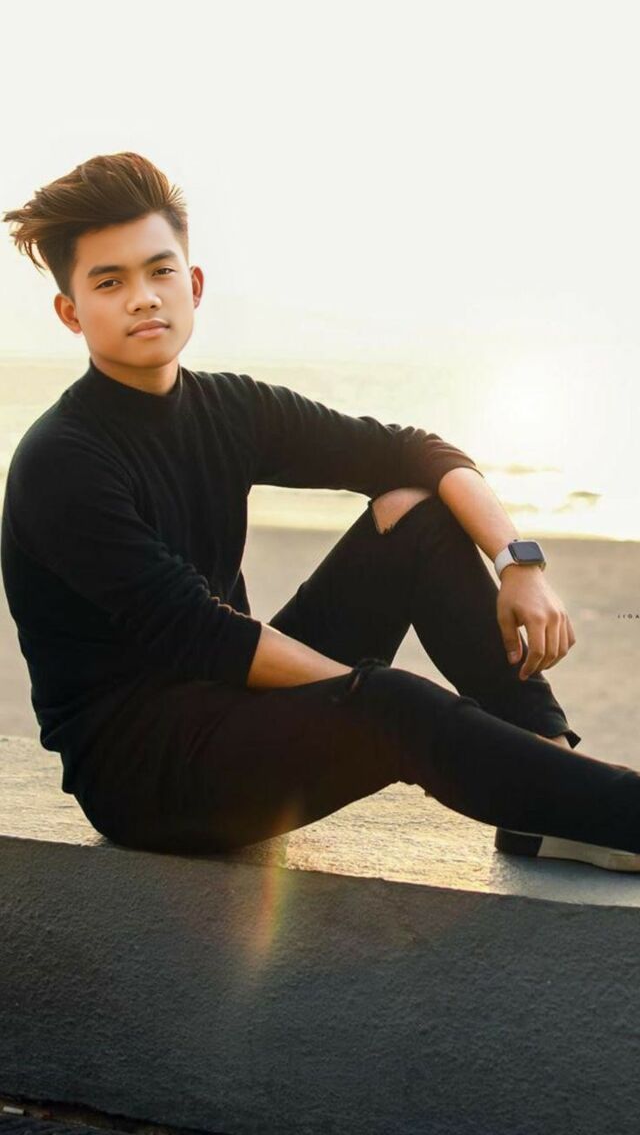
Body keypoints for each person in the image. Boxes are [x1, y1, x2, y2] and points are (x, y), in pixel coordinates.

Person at [2, 151, 639, 873]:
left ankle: (549, 783)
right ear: (71, 312)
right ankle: (615, 809)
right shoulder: (62, 462)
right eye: (109, 282)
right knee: (392, 705)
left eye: (160, 271)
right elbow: (201, 634)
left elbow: (414, 451)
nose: (143, 298)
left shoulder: (229, 408)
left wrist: (519, 563)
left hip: (231, 701)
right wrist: (361, 691)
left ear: (194, 284)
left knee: (415, 514)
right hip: (149, 776)